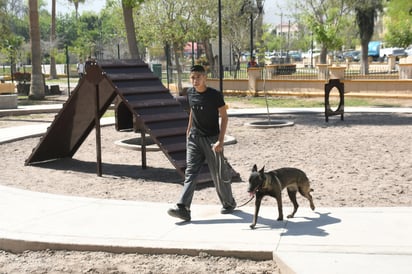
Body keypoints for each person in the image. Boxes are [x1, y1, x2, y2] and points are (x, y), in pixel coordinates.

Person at [167, 65, 236, 222]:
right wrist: (188, 129)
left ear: (205, 77)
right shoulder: (190, 93)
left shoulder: (214, 95)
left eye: (198, 77)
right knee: (191, 171)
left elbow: (224, 117)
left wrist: (220, 140)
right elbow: (192, 110)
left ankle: (229, 203)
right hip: (194, 138)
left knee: (218, 173)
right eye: (192, 77)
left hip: (212, 139)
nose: (195, 80)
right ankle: (183, 208)